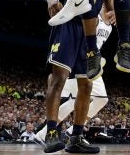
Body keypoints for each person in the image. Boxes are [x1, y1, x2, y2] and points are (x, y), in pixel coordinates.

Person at [40, 0, 113, 154]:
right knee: (59, 79)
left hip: (90, 32)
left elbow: (110, 7)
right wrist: (50, 0)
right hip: (68, 25)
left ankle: (76, 138)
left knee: (87, 85)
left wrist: (114, 13)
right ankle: (51, 133)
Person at [35, 10, 114, 145]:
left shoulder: (110, 26)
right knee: (75, 101)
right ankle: (47, 133)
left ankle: (71, 131)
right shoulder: (94, 15)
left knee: (101, 99)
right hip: (80, 58)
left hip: (92, 63)